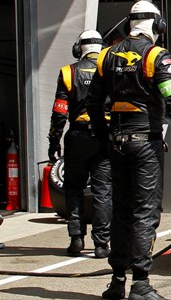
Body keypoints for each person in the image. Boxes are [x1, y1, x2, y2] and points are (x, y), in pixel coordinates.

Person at [85, 1, 171, 300]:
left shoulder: (106, 55)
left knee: (121, 211)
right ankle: (140, 283)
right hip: (146, 143)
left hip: (117, 143)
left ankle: (116, 281)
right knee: (145, 212)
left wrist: (105, 138)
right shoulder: (155, 55)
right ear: (157, 26)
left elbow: (92, 103)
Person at [47, 30, 112, 258]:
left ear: (79, 49)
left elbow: (59, 112)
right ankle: (102, 244)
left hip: (77, 136)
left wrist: (54, 141)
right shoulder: (110, 70)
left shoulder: (68, 72)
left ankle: (76, 238)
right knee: (103, 190)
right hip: (104, 136)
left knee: (73, 188)